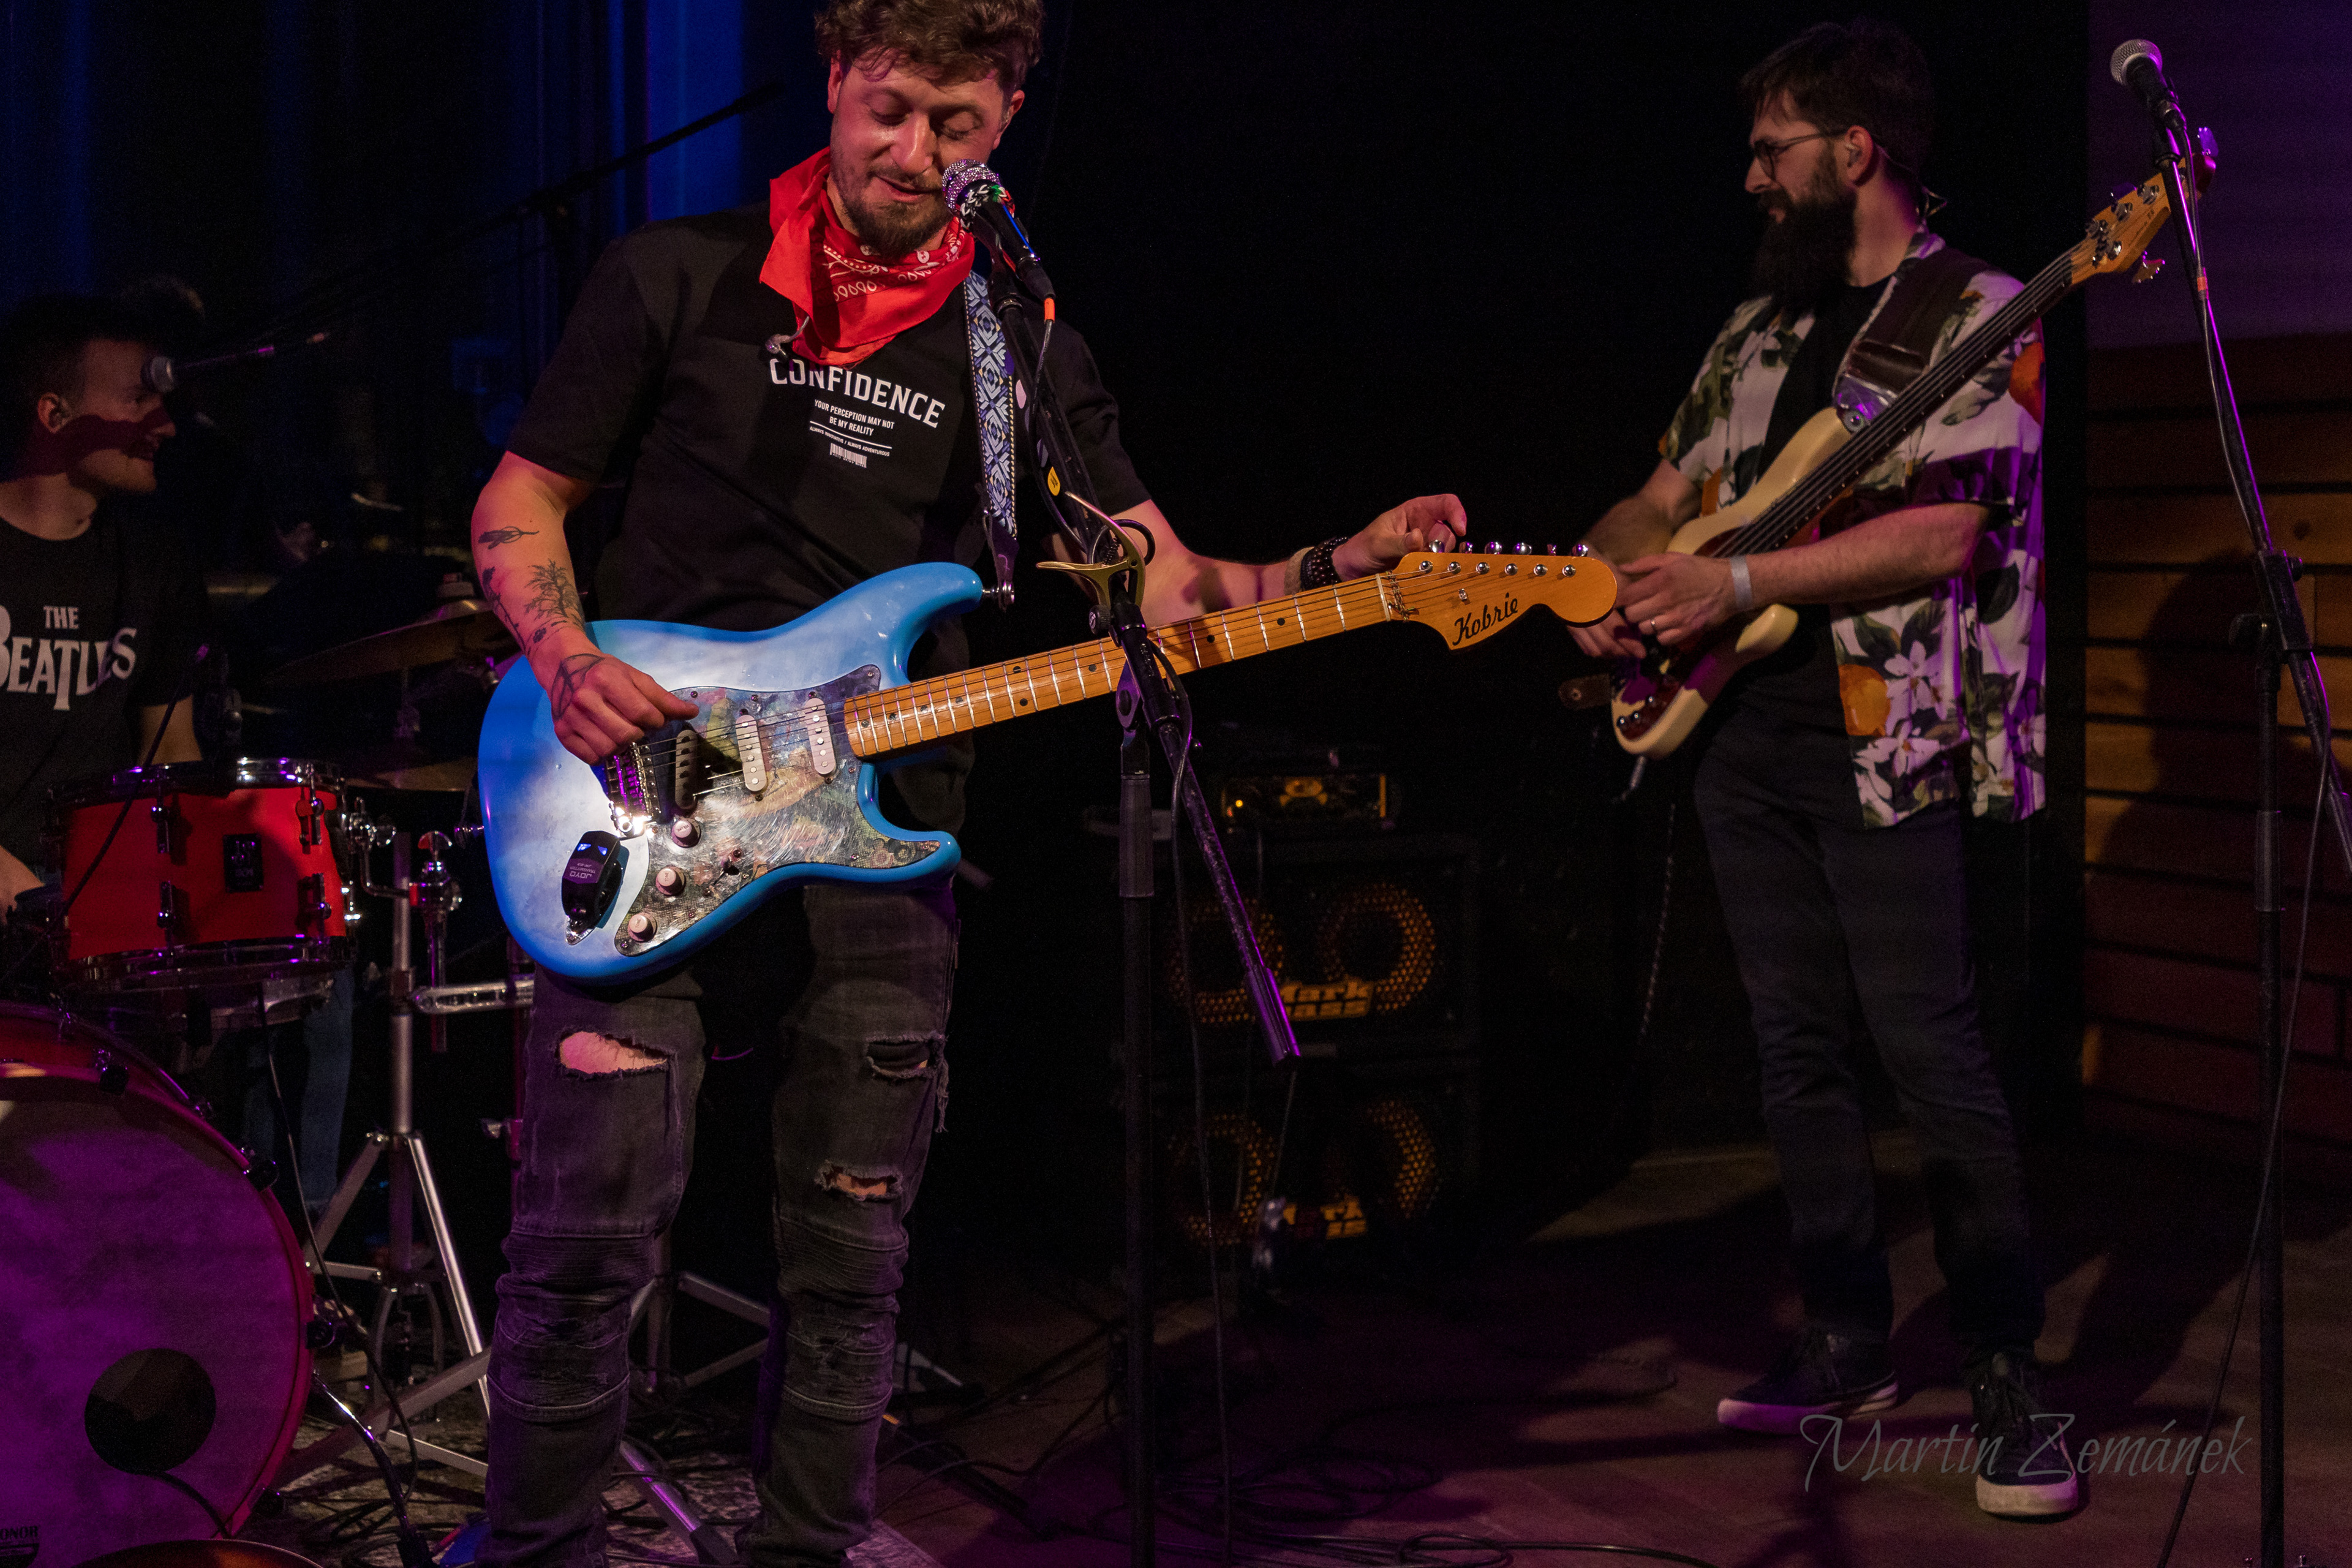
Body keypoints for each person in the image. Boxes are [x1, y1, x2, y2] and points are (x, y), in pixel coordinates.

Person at [467, 1, 1465, 1559]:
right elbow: (519, 499)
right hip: (645, 787)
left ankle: (808, 1544)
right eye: (889, 110)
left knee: (852, 1249)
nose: (915, 151)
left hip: (890, 818)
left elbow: (1166, 590)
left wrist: (1345, 568)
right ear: (833, 85)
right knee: (586, 1236)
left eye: (957, 125)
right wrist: (565, 655)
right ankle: (529, 1545)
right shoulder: (679, 272)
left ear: (1003, 125)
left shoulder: (1020, 343)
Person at [1566, 21, 2074, 1520]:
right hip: (1737, 729)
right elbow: (1651, 497)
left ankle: (2005, 1366)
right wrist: (1607, 579)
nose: (1749, 177)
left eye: (1771, 148)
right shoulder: (1755, 331)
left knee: (1930, 1045)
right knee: (1793, 1044)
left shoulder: (1978, 313)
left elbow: (1946, 533)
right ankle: (1846, 1331)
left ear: (1855, 150)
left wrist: (1729, 583)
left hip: (1886, 728)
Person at [0, 295, 203, 918]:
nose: (164, 426)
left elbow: (169, 750)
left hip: (101, 896)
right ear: (54, 415)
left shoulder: (156, 562)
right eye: (137, 400)